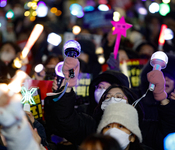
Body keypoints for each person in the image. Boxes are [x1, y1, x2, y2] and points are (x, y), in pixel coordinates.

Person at [45, 54, 175, 150]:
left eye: (119, 96)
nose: (113, 99)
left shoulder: (144, 128)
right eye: (107, 97)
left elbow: (169, 130)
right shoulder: (91, 126)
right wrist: (68, 87)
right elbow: (65, 119)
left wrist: (161, 97)